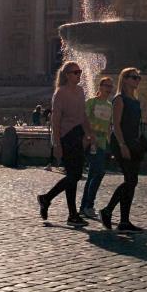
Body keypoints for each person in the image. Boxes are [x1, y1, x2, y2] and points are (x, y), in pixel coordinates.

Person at [37, 61, 93, 225]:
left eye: (80, 72)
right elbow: (55, 121)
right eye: (76, 72)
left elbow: (83, 114)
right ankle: (47, 198)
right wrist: (57, 143)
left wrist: (89, 133)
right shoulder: (60, 93)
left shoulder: (81, 91)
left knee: (73, 176)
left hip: (78, 134)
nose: (79, 75)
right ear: (67, 75)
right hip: (67, 136)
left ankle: (72, 214)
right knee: (74, 175)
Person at [101, 67, 146, 233]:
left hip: (133, 143)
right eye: (134, 77)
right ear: (124, 79)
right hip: (121, 142)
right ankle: (107, 211)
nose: (137, 80)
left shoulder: (135, 99)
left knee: (132, 182)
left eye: (138, 78)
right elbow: (116, 125)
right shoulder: (119, 99)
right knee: (130, 180)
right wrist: (122, 145)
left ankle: (124, 221)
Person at [80, 76, 114, 220]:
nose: (108, 89)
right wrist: (88, 137)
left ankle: (84, 207)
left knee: (93, 174)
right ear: (99, 87)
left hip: (102, 142)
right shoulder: (91, 102)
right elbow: (84, 119)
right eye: (106, 86)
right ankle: (89, 205)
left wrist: (109, 145)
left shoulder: (109, 105)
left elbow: (108, 127)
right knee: (99, 172)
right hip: (91, 141)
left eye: (110, 87)